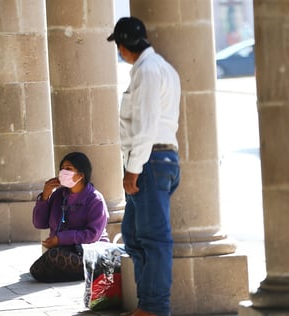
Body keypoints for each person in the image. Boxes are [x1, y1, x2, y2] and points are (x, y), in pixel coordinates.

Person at [107, 17, 181, 316]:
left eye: (119, 46)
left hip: (149, 162)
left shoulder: (149, 71)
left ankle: (153, 309)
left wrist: (133, 169)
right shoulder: (156, 68)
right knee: (135, 236)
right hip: (156, 160)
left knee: (153, 239)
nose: (120, 52)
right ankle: (146, 305)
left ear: (124, 46)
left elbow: (147, 125)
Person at [30, 151, 110, 283]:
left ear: (81, 175)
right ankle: (81, 273)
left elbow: (92, 235)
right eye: (62, 169)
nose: (63, 172)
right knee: (36, 270)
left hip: (90, 253)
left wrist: (60, 239)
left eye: (68, 169)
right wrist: (44, 197)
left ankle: (93, 270)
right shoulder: (58, 195)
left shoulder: (95, 199)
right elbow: (39, 223)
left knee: (53, 257)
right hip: (64, 251)